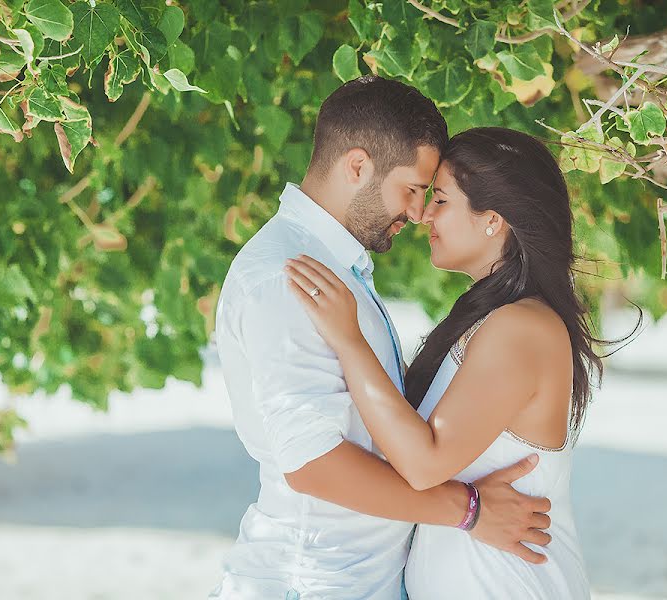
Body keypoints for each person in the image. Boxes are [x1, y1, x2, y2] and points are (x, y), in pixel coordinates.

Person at [211, 79, 552, 600]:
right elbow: (313, 464)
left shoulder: (334, 268)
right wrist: (469, 510)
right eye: (414, 190)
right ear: (357, 167)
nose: (418, 214)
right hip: (312, 580)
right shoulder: (287, 276)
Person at [284, 127, 599, 598]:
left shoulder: (523, 329)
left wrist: (348, 339)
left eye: (442, 201)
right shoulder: (494, 319)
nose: (423, 214)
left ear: (493, 220)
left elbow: (424, 462)